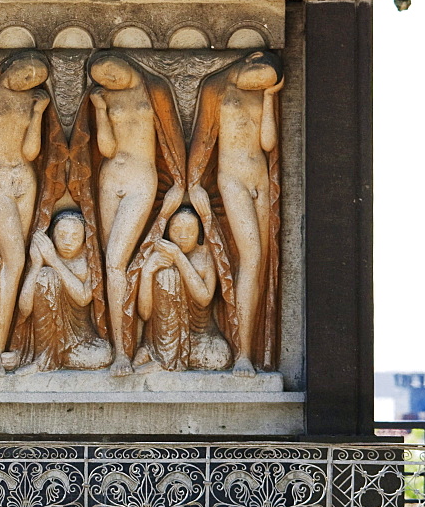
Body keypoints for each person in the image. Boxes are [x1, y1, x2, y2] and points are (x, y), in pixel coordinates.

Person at [70, 51, 186, 376]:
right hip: (111, 177)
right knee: (110, 260)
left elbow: (172, 137)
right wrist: (101, 109)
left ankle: (124, 350)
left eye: (111, 71)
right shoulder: (104, 97)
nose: (110, 79)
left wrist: (181, 181)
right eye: (102, 77)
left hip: (141, 178)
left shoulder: (155, 88)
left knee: (116, 260)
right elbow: (105, 148)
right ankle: (119, 344)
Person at [0, 51, 63, 375]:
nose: (29, 78)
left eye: (36, 77)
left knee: (17, 262)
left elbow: (31, 151)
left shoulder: (29, 100)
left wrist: (37, 111)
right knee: (13, 261)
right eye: (26, 71)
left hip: (23, 177)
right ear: (8, 66)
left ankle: (6, 344)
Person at [187, 51, 283, 376]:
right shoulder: (218, 86)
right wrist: (193, 182)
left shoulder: (263, 93)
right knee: (252, 257)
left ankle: (248, 347)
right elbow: (202, 138)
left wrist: (269, 97)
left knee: (259, 263)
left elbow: (268, 143)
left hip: (259, 179)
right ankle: (242, 354)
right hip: (231, 178)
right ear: (251, 60)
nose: (260, 82)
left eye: (268, 81)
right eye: (259, 76)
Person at [135, 206, 231, 373]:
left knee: (220, 356)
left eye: (190, 230)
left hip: (200, 337)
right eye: (176, 229)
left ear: (199, 232)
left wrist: (179, 257)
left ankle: (161, 360)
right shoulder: (158, 259)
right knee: (165, 273)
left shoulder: (206, 255)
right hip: (162, 339)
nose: (183, 236)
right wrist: (147, 272)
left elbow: (204, 298)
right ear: (166, 231)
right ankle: (155, 353)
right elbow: (144, 314)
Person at [16, 210, 111, 374]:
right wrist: (37, 265)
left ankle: (57, 356)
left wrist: (53, 260)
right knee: (46, 276)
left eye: (75, 236)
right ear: (52, 237)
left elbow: (83, 298)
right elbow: (25, 308)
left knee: (104, 354)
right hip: (45, 341)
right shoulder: (42, 261)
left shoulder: (90, 261)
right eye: (62, 235)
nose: (68, 241)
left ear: (84, 239)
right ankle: (43, 357)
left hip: (81, 339)